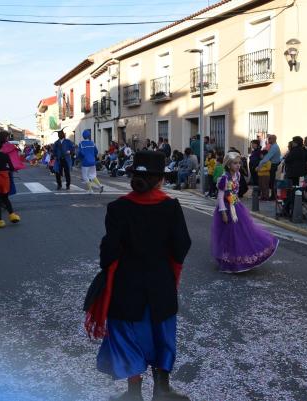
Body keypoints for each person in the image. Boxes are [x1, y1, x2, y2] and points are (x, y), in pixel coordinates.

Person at [84, 151, 191, 401]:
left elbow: (108, 251)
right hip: (160, 285)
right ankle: (162, 389)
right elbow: (181, 246)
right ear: (160, 180)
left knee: (128, 339)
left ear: (133, 177)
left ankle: (133, 394)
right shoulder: (171, 207)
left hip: (125, 288)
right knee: (161, 336)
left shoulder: (118, 208)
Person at [211, 152, 279, 273]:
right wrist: (223, 213)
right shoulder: (224, 178)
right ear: (228, 164)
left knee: (241, 232)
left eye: (239, 163)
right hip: (226, 209)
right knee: (228, 234)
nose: (238, 165)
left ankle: (241, 258)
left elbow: (236, 192)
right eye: (234, 163)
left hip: (237, 206)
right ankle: (229, 260)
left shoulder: (237, 175)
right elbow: (220, 197)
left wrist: (236, 202)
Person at [0, 139, 21, 228]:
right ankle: (12, 215)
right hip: (4, 177)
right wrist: (6, 170)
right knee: (5, 198)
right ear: (2, 146)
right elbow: (11, 167)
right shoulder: (5, 156)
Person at [78, 129, 104, 194]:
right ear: (89, 136)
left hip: (85, 162)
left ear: (83, 136)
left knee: (85, 176)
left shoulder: (81, 144)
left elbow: (80, 153)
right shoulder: (92, 143)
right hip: (92, 162)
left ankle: (90, 190)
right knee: (92, 175)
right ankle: (100, 186)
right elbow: (96, 151)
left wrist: (80, 159)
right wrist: (92, 156)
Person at [256, 134, 281, 200]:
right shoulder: (273, 146)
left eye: (269, 138)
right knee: (268, 182)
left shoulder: (274, 147)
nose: (268, 140)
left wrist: (259, 165)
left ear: (273, 139)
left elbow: (267, 157)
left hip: (272, 165)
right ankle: (270, 196)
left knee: (269, 182)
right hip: (272, 165)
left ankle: (272, 196)